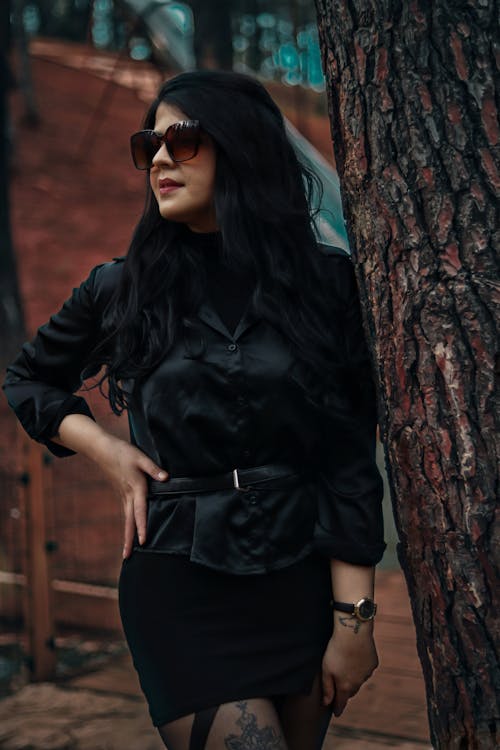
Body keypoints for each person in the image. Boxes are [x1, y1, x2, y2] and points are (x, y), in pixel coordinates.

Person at [3, 70, 385, 750]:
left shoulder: (325, 285)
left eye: (181, 140)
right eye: (148, 142)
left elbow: (347, 458)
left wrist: (354, 620)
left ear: (241, 148)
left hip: (300, 580)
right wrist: (108, 451)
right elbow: (29, 379)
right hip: (181, 583)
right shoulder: (121, 287)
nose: (157, 158)